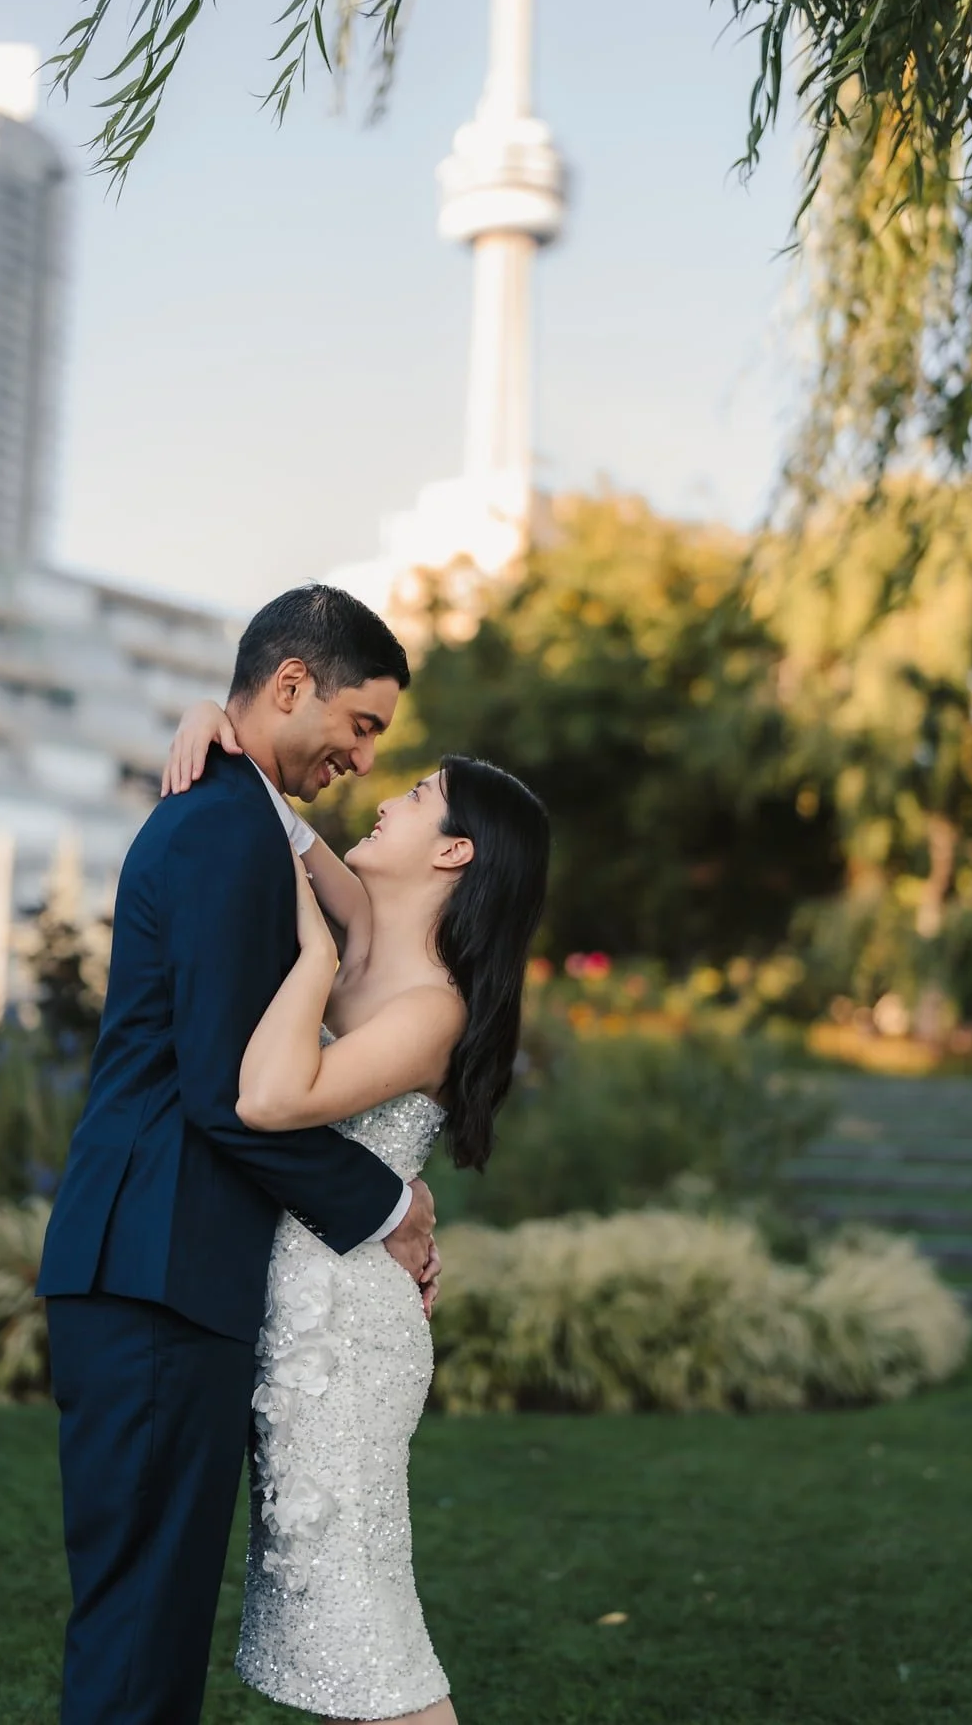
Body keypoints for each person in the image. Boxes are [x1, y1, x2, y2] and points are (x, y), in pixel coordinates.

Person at [38, 584, 439, 1725]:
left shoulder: (240, 818)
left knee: (145, 1627)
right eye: (360, 725)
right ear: (289, 686)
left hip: (160, 1266)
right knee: (138, 1639)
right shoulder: (222, 829)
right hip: (156, 1271)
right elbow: (228, 1097)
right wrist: (386, 1206)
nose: (363, 756)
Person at [162, 693, 550, 1723]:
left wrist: (316, 963)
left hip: (348, 1340)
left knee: (361, 1622)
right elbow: (275, 820)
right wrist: (213, 716)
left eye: (419, 795)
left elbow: (271, 1099)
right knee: (325, 1619)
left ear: (456, 853)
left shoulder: (426, 1004)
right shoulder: (369, 922)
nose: (387, 797)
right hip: (304, 1311)